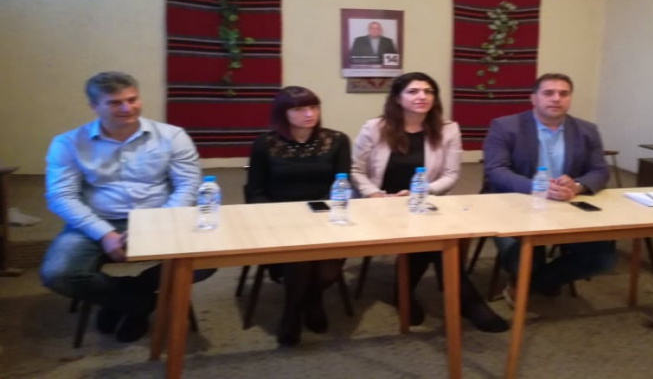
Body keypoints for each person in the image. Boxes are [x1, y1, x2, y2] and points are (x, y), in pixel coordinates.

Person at [40, 71, 213, 343]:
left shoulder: (172, 136)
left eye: (132, 100)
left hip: (161, 217)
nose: (127, 108)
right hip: (98, 221)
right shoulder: (68, 143)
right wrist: (104, 234)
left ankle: (125, 296)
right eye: (114, 103)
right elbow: (61, 196)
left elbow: (188, 185)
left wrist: (155, 224)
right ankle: (138, 303)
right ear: (94, 106)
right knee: (57, 274)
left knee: (208, 259)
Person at [351, 72, 508, 332]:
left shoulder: (448, 129)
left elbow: (451, 175)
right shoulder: (375, 128)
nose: (422, 96)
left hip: (422, 201)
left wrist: (421, 192)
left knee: (437, 235)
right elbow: (355, 170)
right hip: (380, 204)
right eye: (413, 91)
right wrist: (374, 194)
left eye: (428, 91)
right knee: (437, 240)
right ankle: (465, 299)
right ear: (398, 98)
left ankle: (405, 291)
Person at [483, 73, 616, 299]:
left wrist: (577, 186)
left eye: (563, 94)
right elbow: (495, 170)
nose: (556, 98)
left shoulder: (587, 130)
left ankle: (531, 283)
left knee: (603, 258)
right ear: (533, 98)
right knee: (522, 258)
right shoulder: (505, 126)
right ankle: (535, 279)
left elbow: (600, 171)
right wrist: (537, 187)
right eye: (548, 93)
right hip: (515, 203)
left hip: (567, 204)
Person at [246, 86, 352, 346]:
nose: (309, 114)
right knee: (300, 251)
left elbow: (342, 184)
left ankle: (310, 297)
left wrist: (326, 215)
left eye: (313, 107)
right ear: (282, 113)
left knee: (326, 273)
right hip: (280, 219)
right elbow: (255, 191)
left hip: (325, 217)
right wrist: (275, 218)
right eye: (299, 109)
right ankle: (293, 312)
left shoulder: (337, 140)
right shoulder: (265, 144)